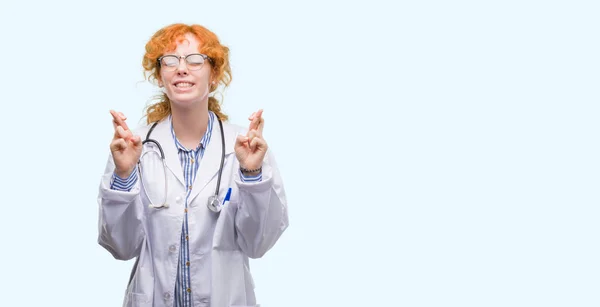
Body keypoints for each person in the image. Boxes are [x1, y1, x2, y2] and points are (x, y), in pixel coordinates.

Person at [96, 23, 289, 307]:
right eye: (170, 60)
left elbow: (258, 244)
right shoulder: (134, 147)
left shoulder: (246, 147)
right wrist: (124, 175)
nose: (182, 68)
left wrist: (251, 174)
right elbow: (121, 247)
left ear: (214, 76)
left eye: (195, 60)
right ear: (160, 77)